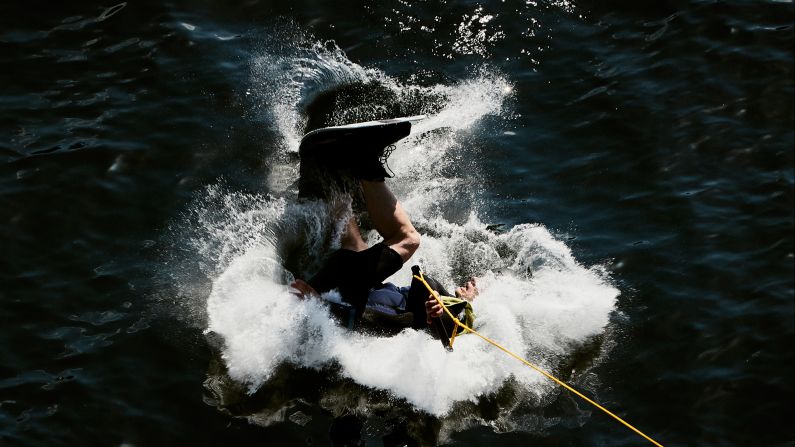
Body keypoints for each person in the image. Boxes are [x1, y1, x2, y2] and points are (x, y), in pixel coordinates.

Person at [289, 118, 477, 331]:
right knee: (356, 245)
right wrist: (467, 300)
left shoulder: (404, 326)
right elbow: (454, 321)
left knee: (409, 239)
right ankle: (327, 172)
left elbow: (361, 321)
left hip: (338, 295)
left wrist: (317, 305)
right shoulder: (410, 314)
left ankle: (364, 160)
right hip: (346, 283)